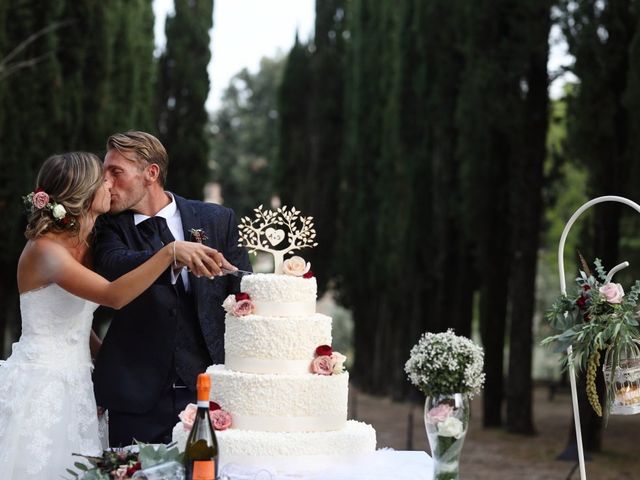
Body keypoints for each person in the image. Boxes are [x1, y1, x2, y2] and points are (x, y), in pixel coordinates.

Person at [0, 152, 229, 480]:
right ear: (84, 194)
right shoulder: (46, 251)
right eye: (102, 179)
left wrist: (108, 372)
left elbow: (76, 326)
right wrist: (169, 252)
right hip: (44, 386)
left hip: (80, 383)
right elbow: (114, 296)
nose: (110, 183)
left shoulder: (86, 243)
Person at [92, 131, 251, 447]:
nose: (106, 183)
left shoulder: (216, 219)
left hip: (209, 392)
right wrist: (172, 254)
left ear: (151, 173)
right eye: (104, 172)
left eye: (116, 172)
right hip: (134, 397)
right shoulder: (106, 226)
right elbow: (113, 266)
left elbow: (243, 287)